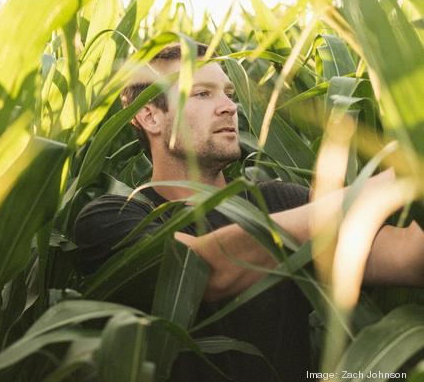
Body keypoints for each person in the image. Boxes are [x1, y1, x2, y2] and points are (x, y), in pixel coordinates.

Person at [74, 43, 424, 381]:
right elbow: (202, 272)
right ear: (150, 116)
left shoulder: (283, 201)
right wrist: (399, 177)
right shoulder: (112, 217)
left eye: (228, 92)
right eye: (202, 93)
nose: (228, 106)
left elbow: (406, 257)